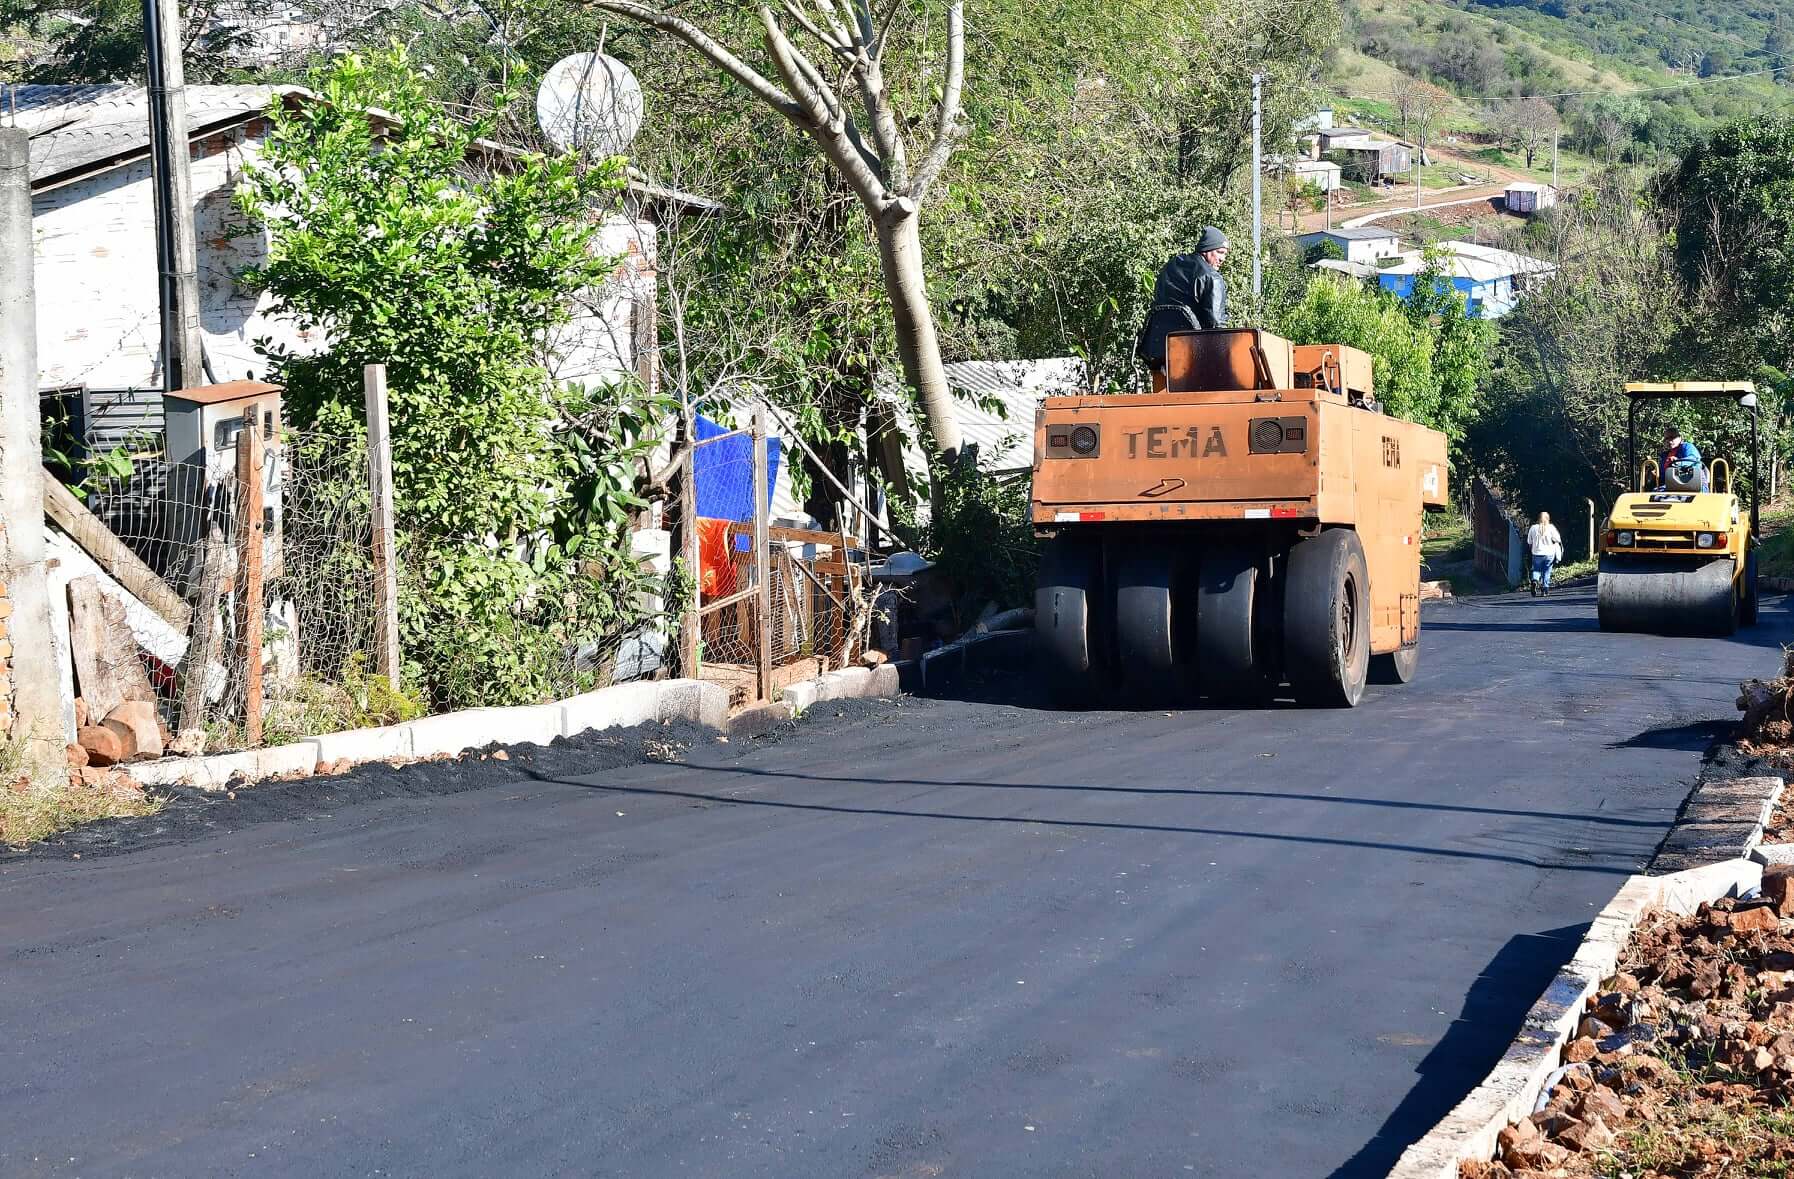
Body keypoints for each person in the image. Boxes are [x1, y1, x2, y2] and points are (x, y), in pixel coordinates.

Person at [1137, 226, 1230, 378]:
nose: (1222, 259)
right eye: (1220, 252)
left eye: (1225, 254)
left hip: (1159, 351)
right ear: (1206, 249)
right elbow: (1216, 325)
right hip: (1195, 355)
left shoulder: (1169, 267)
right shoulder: (1212, 277)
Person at [1526, 511, 1563, 596]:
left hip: (1536, 553)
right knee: (1546, 571)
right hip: (1549, 553)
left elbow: (1529, 542)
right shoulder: (1551, 527)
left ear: (1538, 518)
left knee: (1536, 569)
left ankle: (1535, 581)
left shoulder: (1533, 528)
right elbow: (1558, 539)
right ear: (1548, 519)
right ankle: (1545, 588)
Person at [1659, 426, 1707, 492]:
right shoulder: (1664, 456)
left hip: (1694, 482)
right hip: (1670, 485)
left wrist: (1678, 462)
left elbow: (1694, 459)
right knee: (1655, 492)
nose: (1669, 441)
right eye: (1666, 438)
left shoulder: (1687, 446)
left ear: (1680, 438)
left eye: (1672, 437)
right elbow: (1662, 475)